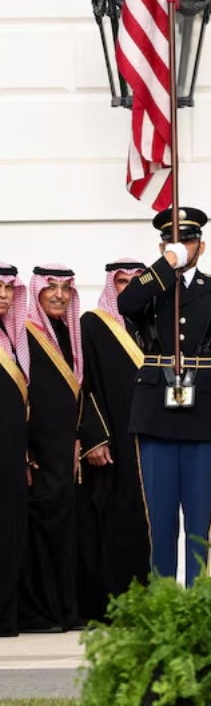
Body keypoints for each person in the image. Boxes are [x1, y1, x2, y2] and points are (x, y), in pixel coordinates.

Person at [117, 208, 211, 587]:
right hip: (156, 412)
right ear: (162, 246)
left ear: (201, 246)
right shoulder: (149, 286)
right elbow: (126, 305)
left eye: (188, 240)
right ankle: (163, 604)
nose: (182, 246)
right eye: (173, 241)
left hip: (204, 413)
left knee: (198, 522)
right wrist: (167, 262)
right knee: (159, 521)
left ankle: (197, 604)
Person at [77, 259, 150, 620]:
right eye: (122, 283)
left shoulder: (156, 325)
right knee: (112, 516)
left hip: (152, 438)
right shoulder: (92, 323)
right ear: (112, 286)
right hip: (111, 442)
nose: (129, 290)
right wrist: (93, 438)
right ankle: (109, 606)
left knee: (149, 520)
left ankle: (148, 602)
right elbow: (80, 382)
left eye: (136, 283)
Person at [21, 265, 83, 632]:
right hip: (39, 455)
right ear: (38, 291)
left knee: (65, 535)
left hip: (66, 454)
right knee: (39, 535)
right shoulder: (24, 335)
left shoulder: (69, 333)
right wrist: (25, 452)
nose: (59, 294)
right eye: (51, 288)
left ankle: (65, 612)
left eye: (65, 288)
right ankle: (38, 613)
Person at [0, 264, 29, 637]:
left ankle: (6, 616)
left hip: (10, 452)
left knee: (9, 531)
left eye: (9, 289)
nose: (4, 295)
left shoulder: (15, 339)